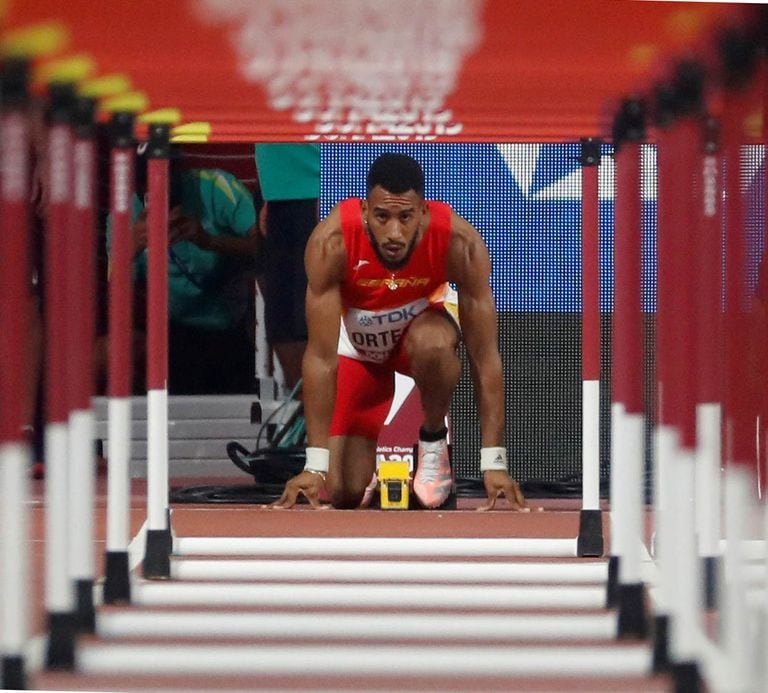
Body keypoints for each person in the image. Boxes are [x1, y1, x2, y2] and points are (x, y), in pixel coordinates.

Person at [273, 153, 527, 511]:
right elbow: (319, 357)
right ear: (364, 211)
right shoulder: (332, 243)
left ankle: (434, 442)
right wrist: (314, 466)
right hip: (359, 353)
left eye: (405, 217)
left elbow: (484, 357)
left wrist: (494, 462)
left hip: (418, 343)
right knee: (342, 491)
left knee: (436, 344)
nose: (394, 232)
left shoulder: (459, 244)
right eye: (382, 217)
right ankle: (370, 472)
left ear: (423, 212)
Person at [98, 155, 260, 395]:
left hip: (231, 324)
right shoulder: (124, 216)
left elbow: (264, 247)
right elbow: (116, 302)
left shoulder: (215, 185)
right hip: (170, 331)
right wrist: (131, 247)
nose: (160, 193)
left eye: (166, 182)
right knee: (110, 350)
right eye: (147, 186)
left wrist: (208, 240)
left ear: (178, 171)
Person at [254, 143, 320, 390]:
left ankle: (323, 421)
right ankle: (309, 421)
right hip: (279, 188)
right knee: (284, 324)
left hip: (322, 181)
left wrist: (343, 180)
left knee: (313, 320)